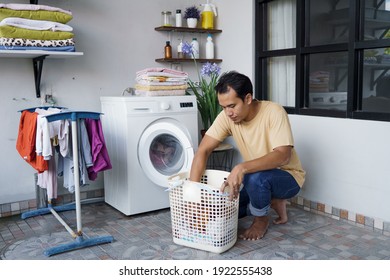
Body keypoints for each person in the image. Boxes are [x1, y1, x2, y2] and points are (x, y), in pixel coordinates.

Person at [189, 71, 306, 240]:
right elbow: (203, 151)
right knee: (223, 209)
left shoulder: (274, 112)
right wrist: (194, 194)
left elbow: (283, 156)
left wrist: (241, 167)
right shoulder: (227, 117)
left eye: (231, 106)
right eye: (223, 107)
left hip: (288, 177)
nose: (228, 112)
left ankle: (261, 220)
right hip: (255, 178)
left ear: (248, 99)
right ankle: (272, 201)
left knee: (254, 177)